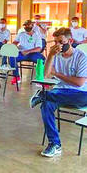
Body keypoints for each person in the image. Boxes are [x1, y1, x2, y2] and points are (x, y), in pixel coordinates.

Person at [30, 28, 87, 157]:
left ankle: (43, 95)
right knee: (46, 104)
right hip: (60, 92)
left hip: (82, 94)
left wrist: (56, 73)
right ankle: (55, 144)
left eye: (61, 42)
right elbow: (44, 76)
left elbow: (79, 83)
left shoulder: (81, 57)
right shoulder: (55, 55)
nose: (58, 45)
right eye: (55, 42)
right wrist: (50, 55)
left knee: (47, 97)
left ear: (70, 41)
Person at [8, 20, 45, 84]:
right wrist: (13, 46)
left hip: (33, 53)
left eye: (28, 25)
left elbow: (39, 48)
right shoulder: (21, 34)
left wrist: (28, 51)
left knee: (42, 60)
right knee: (12, 57)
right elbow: (15, 42)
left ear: (32, 26)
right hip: (22, 53)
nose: (26, 27)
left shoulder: (37, 35)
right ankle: (16, 77)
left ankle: (40, 79)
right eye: (25, 25)